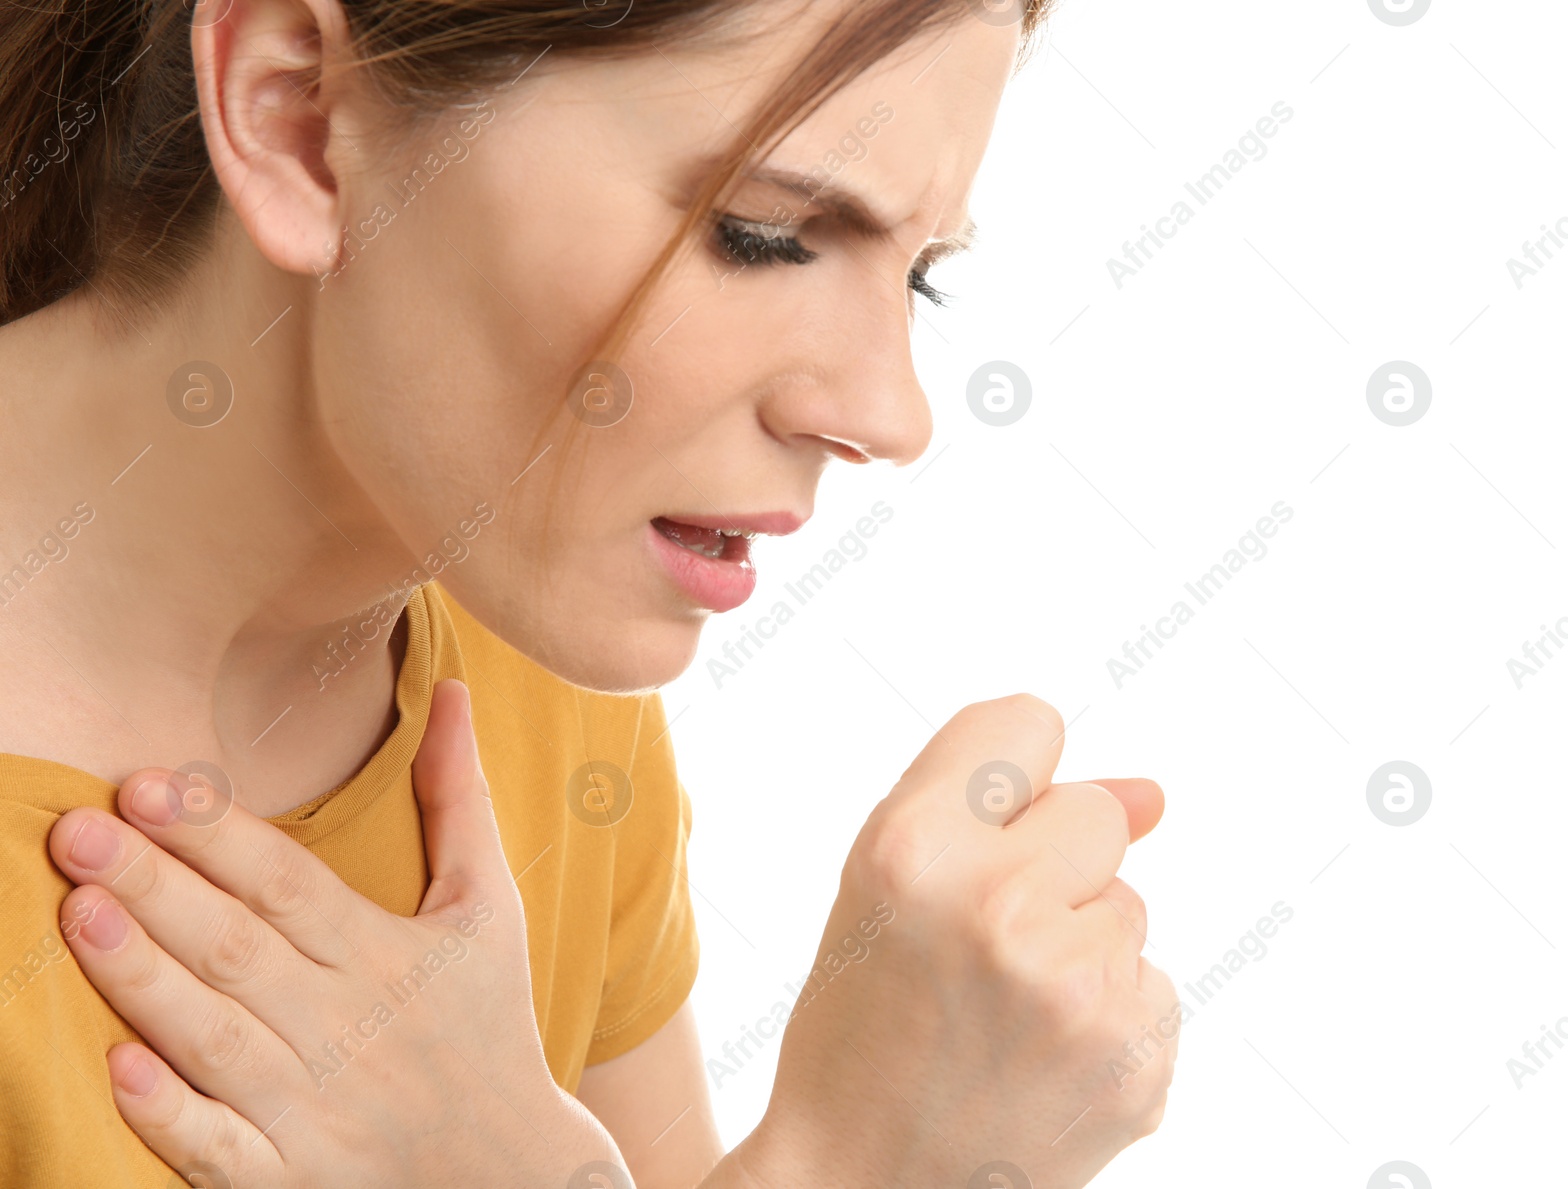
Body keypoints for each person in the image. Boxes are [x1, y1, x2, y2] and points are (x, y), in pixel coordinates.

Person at [0, 0, 1180, 1185]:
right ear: (298, 117)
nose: (891, 413)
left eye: (918, 277)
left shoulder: (520, 617)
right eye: (761, 233)